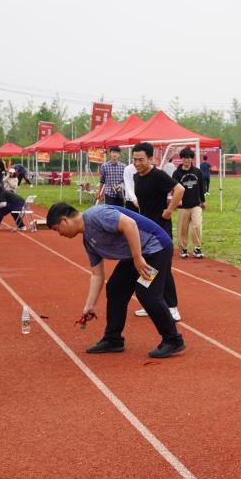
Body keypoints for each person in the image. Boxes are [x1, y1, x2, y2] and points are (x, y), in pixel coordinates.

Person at [46, 201, 185, 359]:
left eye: (57, 229)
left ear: (64, 221)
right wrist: (89, 306)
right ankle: (113, 339)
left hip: (156, 249)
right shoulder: (88, 241)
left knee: (146, 292)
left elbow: (129, 224)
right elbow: (97, 275)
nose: (60, 234)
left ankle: (173, 340)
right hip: (135, 255)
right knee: (115, 288)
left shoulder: (95, 215)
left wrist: (137, 258)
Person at [130, 142, 183, 320]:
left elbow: (179, 189)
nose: (137, 163)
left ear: (151, 159)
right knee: (148, 266)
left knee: (163, 267)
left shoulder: (158, 175)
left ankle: (172, 306)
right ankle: (150, 303)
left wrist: (169, 210)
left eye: (141, 160)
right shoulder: (137, 177)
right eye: (135, 159)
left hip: (160, 230)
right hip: (145, 230)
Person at [172, 147, 206, 259]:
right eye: (184, 158)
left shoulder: (197, 172)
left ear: (192, 159)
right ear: (181, 159)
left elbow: (201, 187)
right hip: (183, 206)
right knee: (183, 228)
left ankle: (197, 247)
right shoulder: (176, 173)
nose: (187, 160)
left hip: (196, 204)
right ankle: (184, 248)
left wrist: (203, 201)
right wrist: (177, 200)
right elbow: (174, 188)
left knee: (197, 225)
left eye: (189, 158)